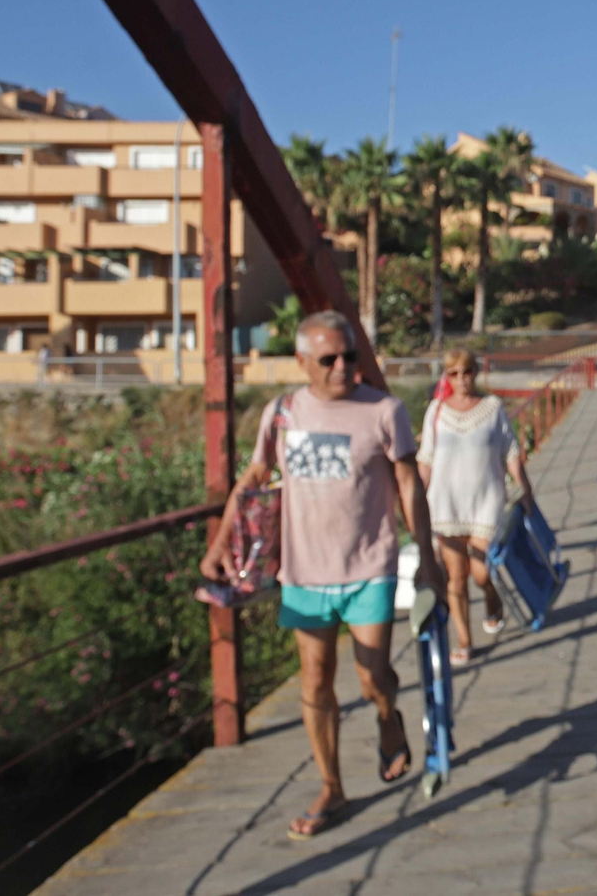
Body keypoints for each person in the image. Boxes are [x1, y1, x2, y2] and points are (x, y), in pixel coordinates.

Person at [199, 311, 444, 840]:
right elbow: (255, 477)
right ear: (302, 361)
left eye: (349, 356)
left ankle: (388, 717)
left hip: (369, 565)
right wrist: (219, 545)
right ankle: (332, 786)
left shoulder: (384, 411)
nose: (342, 367)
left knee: (372, 675)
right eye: (328, 358)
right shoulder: (282, 413)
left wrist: (427, 558)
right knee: (315, 679)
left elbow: (408, 485)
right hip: (303, 571)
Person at [417, 349, 535, 666]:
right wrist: (414, 501)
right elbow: (425, 458)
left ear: (476, 372)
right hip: (446, 504)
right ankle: (464, 640)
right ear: (446, 377)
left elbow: (510, 451)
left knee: (482, 572)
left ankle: (492, 599)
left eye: (466, 372)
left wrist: (526, 489)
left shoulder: (492, 408)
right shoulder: (436, 411)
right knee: (455, 577)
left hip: (486, 501)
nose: (461, 379)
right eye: (453, 373)